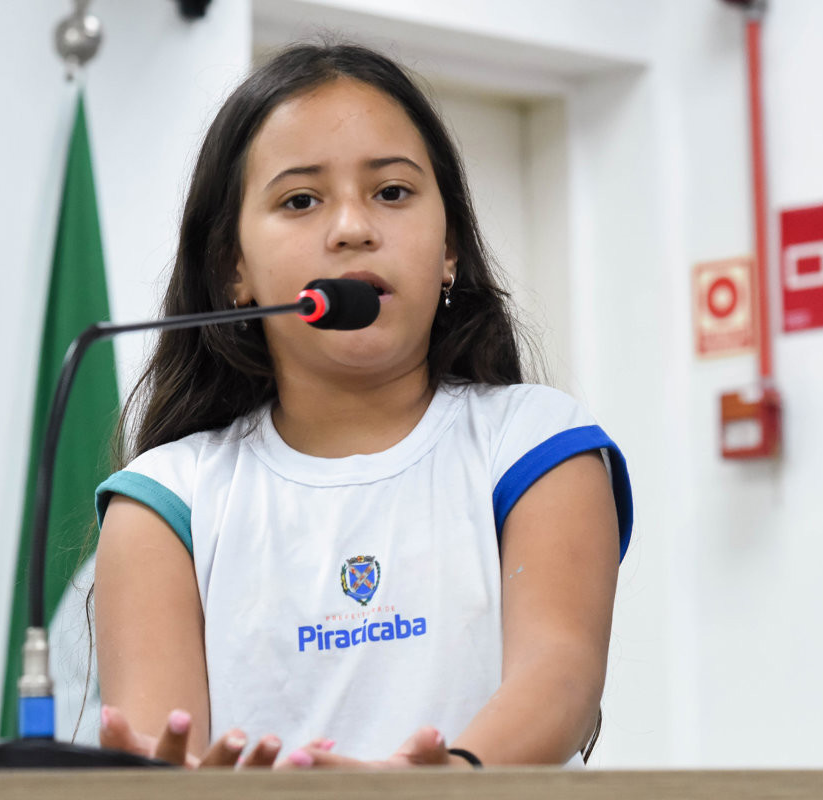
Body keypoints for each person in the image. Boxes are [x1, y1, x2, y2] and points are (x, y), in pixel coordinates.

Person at [91, 41, 633, 770]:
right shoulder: (166, 501)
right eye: (301, 200)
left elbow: (561, 678)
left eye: (393, 192)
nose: (352, 228)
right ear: (234, 270)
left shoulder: (537, 443)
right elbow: (165, 747)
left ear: (449, 250)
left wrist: (434, 785)